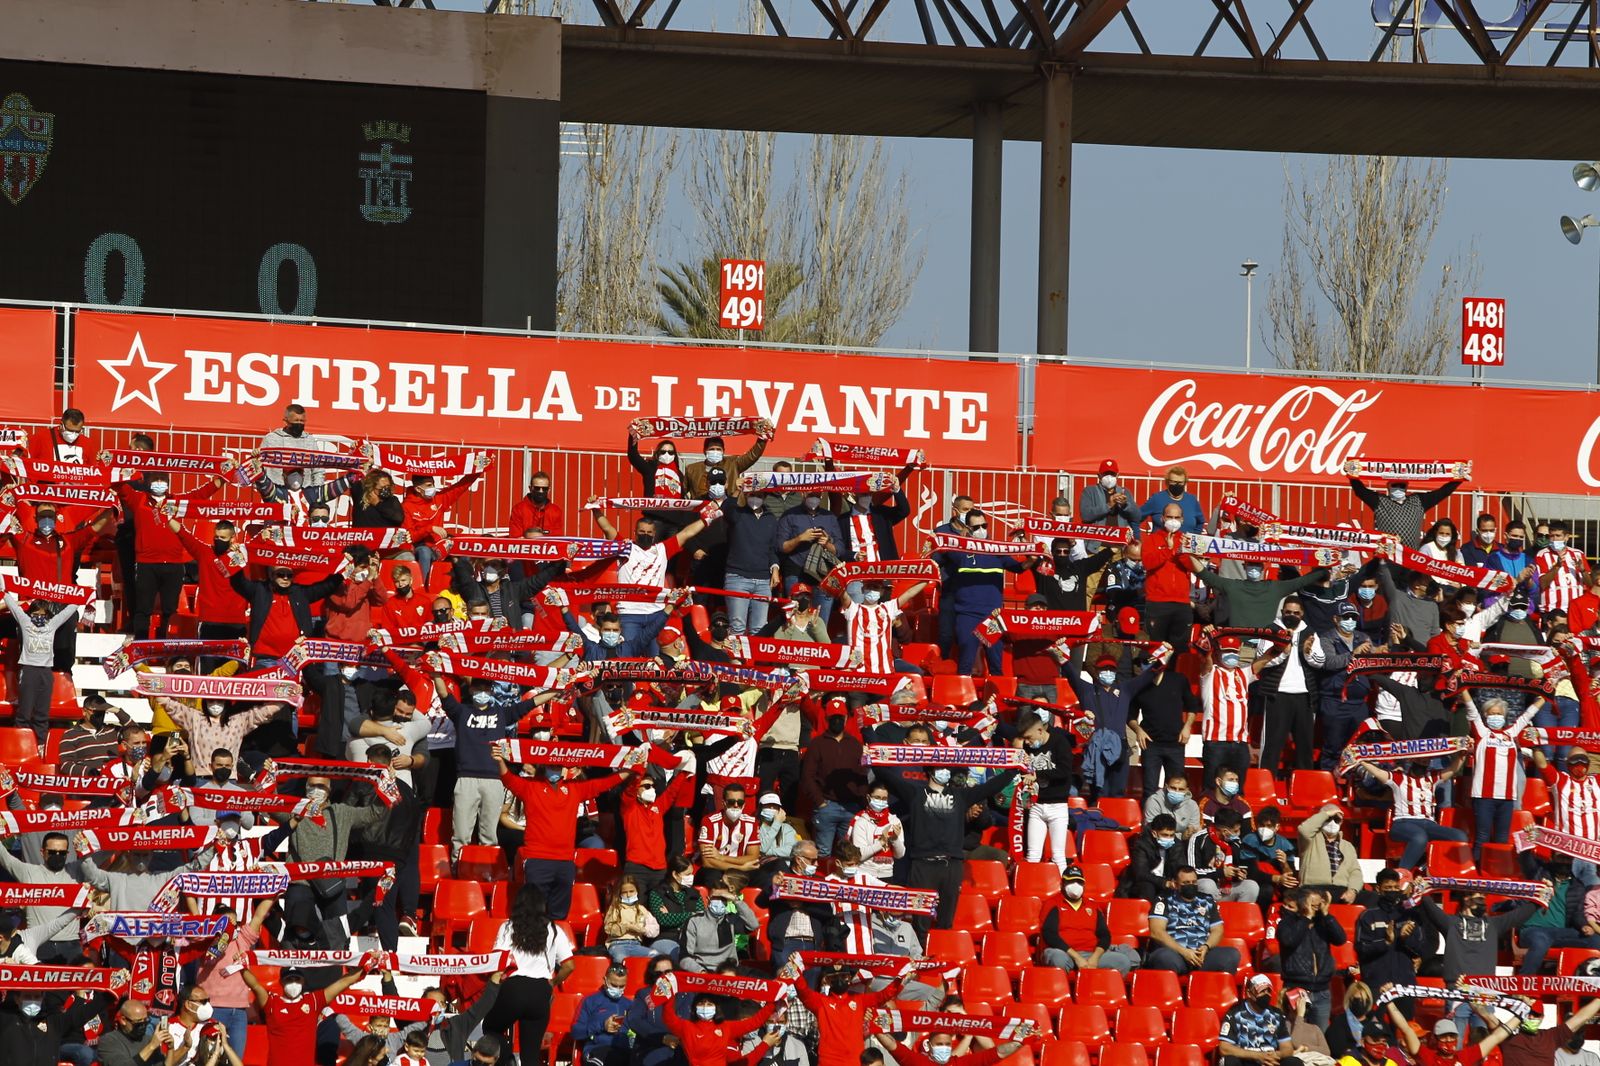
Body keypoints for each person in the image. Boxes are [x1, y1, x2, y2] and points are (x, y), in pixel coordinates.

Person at [875, 758, 1019, 933]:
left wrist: (1013, 770)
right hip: (923, 864)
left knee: (946, 920)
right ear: (930, 771)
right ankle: (920, 956)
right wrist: (871, 755)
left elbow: (989, 787)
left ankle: (941, 953)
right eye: (941, 768)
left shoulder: (960, 796)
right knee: (921, 922)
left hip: (952, 864)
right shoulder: (915, 794)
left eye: (947, 769)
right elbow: (886, 776)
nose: (945, 772)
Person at [494, 740, 631, 919]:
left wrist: (630, 769)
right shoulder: (530, 787)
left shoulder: (575, 789)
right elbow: (508, 779)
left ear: (566, 769)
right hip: (537, 859)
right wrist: (499, 760)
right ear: (544, 766)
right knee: (533, 913)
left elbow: (605, 784)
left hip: (565, 861)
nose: (556, 770)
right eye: (552, 766)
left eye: (559, 766)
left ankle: (554, 945)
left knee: (559, 914)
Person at [485, 885, 576, 1066]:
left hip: (514, 988)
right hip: (540, 990)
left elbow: (499, 961)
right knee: (531, 1053)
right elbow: (569, 966)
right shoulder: (554, 930)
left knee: (490, 1028)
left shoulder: (508, 927)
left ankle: (507, 1059)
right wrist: (553, 983)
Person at [1352, 755, 1469, 870]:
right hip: (1403, 822)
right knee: (1419, 837)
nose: (1423, 763)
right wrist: (1361, 761)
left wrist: (1462, 755)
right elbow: (1378, 772)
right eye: (1420, 760)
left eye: (1426, 761)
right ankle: (1403, 873)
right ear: (1412, 760)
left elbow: (1452, 769)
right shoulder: (1398, 778)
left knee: (1460, 836)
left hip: (1429, 824)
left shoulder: (1432, 778)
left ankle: (1447, 872)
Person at [241, 965, 365, 1066]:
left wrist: (367, 965)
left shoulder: (313, 1001)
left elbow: (344, 982)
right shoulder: (272, 1003)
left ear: (303, 981)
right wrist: (241, 966)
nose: (294, 983)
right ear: (281, 982)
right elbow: (255, 985)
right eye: (289, 979)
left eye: (297, 979)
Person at [3, 592, 78, 741]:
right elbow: (13, 607)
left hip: (46, 672)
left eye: (42, 614)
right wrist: (3, 591)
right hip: (29, 670)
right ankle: (20, 744)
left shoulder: (51, 625)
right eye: (35, 614)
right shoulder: (25, 623)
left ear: (47, 615)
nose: (38, 617)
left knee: (42, 714)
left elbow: (67, 612)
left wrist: (84, 597)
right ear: (30, 614)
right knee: (24, 712)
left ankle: (41, 744)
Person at [1038, 865, 1139, 976]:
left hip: (1090, 953)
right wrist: (1077, 958)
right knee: (1057, 958)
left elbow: (1104, 935)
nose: (1075, 885)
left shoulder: (1093, 906)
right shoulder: (1052, 904)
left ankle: (1101, 990)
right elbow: (1050, 935)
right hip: (1064, 953)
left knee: (1122, 961)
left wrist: (1095, 958)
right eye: (1071, 882)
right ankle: (1063, 991)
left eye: (1079, 882)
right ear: (1062, 884)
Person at [1144, 865, 1242, 974]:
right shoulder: (1163, 899)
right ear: (1176, 884)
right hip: (1176, 953)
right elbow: (1156, 931)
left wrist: (1206, 947)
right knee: (1163, 957)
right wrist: (1184, 952)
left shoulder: (1207, 900)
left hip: (1201, 955)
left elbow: (1218, 930)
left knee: (1232, 955)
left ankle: (1214, 990)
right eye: (1186, 883)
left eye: (1193, 882)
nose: (1191, 885)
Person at [1277, 887, 1347, 1028]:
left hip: (1322, 991)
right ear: (1302, 903)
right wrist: (1306, 918)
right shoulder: (1287, 923)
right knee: (1295, 1034)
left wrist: (1327, 914)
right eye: (1312, 904)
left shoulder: (1323, 923)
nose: (1316, 907)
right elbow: (1289, 940)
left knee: (1319, 1038)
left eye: (1318, 904)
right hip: (1297, 990)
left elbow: (1340, 939)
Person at [1355, 868, 1430, 995]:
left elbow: (1422, 948)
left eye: (1396, 887)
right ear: (1378, 889)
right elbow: (1361, 948)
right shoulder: (1368, 916)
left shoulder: (1409, 914)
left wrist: (1405, 939)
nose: (1393, 891)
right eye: (1388, 887)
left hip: (1405, 985)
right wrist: (1386, 942)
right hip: (1377, 985)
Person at [662, 990, 781, 1066]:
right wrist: (669, 993)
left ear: (716, 1008)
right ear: (694, 1007)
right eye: (701, 1003)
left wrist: (773, 1001)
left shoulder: (725, 1027)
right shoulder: (686, 1027)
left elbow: (755, 1021)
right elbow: (668, 1018)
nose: (705, 1007)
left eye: (709, 1004)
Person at [1018, 714, 1076, 869]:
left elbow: (1064, 771)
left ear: (1039, 730)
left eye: (1029, 737)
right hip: (1036, 806)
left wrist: (1037, 775)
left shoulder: (1060, 743)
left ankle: (1064, 890)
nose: (1027, 742)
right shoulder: (1027, 748)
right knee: (1033, 855)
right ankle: (1031, 889)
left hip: (1057, 806)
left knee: (1058, 856)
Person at [1141, 504, 1199, 652]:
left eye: (1176, 517)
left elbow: (1192, 566)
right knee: (1156, 648)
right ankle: (1155, 675)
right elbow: (1148, 563)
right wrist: (1167, 549)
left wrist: (1179, 551)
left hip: (1181, 603)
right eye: (1169, 517)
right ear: (1162, 518)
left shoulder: (1187, 541)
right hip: (1157, 602)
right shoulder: (1151, 539)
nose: (1173, 521)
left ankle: (1174, 675)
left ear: (1182, 519)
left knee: (1179, 650)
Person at [1348, 471, 1464, 542]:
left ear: (1406, 487)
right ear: (1388, 486)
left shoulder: (1418, 501)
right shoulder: (1380, 501)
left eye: (1402, 485)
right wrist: (1352, 476)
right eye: (1395, 485)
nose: (1398, 488)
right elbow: (1360, 491)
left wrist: (1458, 480)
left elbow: (1442, 493)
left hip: (1411, 558)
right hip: (1388, 557)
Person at [1218, 973, 1303, 1066]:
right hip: (1245, 1061)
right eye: (1262, 991)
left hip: (1271, 1061)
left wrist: (1276, 1055)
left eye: (1268, 991)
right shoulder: (1234, 1013)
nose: (1266, 994)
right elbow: (1224, 1048)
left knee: (1294, 1062)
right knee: (1228, 1061)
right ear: (1249, 993)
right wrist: (1258, 1056)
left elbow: (1287, 1048)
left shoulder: (1277, 1014)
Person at [874, 1024, 1035, 1066]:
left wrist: (1020, 1041)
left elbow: (996, 1054)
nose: (944, 1047)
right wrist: (875, 1028)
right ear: (929, 1045)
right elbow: (892, 1046)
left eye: (947, 1044)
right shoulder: (918, 1062)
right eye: (939, 1044)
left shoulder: (959, 1063)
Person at [1297, 805, 1363, 904]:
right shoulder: (1310, 840)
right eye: (1328, 819)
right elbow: (1304, 829)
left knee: (1372, 897)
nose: (1332, 822)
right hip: (1313, 887)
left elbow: (1355, 872)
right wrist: (1326, 814)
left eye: (1336, 820)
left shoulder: (1348, 846)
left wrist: (1352, 891)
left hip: (1340, 889)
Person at [601, 875, 676, 962]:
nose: (628, 895)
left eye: (631, 891)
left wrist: (643, 930)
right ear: (620, 893)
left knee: (656, 957)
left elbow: (655, 929)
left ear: (637, 891)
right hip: (618, 945)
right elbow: (608, 928)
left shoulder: (642, 910)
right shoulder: (615, 908)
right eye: (624, 892)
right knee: (620, 958)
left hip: (636, 945)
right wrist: (627, 927)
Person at [572, 964, 631, 1066]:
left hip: (624, 1050)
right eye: (613, 985)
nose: (617, 989)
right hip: (597, 1049)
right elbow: (576, 1032)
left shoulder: (629, 1004)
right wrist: (602, 1026)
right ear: (605, 980)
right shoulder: (590, 1001)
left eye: (621, 986)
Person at [1124, 813, 1185, 903]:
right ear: (1154, 833)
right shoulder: (1142, 845)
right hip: (1144, 883)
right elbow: (1141, 873)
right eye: (1165, 835)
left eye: (1171, 835)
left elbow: (1181, 867)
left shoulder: (1177, 845)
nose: (1169, 838)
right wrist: (1164, 883)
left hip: (1168, 882)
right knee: (1147, 887)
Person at [97, 999, 169, 1066]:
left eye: (145, 1020)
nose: (143, 1025)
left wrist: (171, 1048)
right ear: (123, 1020)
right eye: (138, 1022)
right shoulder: (108, 1041)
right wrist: (151, 1047)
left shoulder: (148, 1040)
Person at [1139, 466, 1205, 534]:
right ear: (1167, 482)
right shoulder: (1156, 499)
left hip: (1185, 543)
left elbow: (1200, 522)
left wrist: (1193, 538)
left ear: (1185, 483)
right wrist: (1138, 536)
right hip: (1160, 543)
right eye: (1174, 482)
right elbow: (1136, 518)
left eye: (1180, 482)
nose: (1177, 485)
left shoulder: (1192, 500)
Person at [1079, 459, 1138, 528]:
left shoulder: (1124, 492)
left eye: (1112, 474)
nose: (1109, 477)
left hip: (1119, 537)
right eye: (1106, 474)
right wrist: (1109, 505)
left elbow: (1136, 516)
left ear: (1117, 476)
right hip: (1098, 537)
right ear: (1099, 476)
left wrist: (1125, 505)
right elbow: (1085, 516)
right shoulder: (1090, 491)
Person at [506, 472, 564, 539]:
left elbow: (557, 539)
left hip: (547, 547)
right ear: (530, 488)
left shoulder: (556, 511)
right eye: (537, 488)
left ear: (549, 490)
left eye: (544, 489)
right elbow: (515, 537)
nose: (541, 491)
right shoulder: (519, 509)